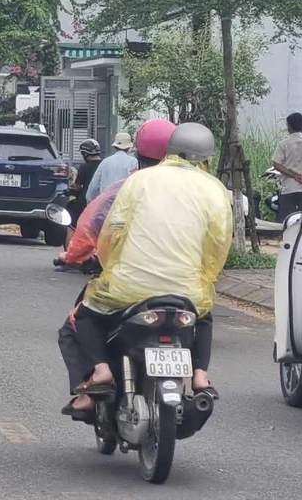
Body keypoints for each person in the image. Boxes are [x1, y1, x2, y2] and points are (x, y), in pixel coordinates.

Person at [70, 123, 231, 410]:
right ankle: (200, 376)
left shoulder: (139, 180)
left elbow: (111, 232)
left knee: (84, 316)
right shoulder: (216, 190)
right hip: (187, 291)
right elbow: (218, 246)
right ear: (207, 158)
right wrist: (205, 278)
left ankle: (101, 370)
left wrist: (109, 267)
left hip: (128, 288)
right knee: (204, 316)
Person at [55, 118, 176, 417]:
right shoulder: (194, 192)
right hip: (181, 284)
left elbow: (91, 224)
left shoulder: (127, 188)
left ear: (138, 155)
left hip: (127, 284)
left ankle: (97, 375)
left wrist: (71, 256)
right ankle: (199, 376)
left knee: (77, 322)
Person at [272, 112, 302, 221]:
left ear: (289, 126)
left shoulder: (283, 144)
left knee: (287, 220)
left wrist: (294, 175)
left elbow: (276, 165)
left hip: (288, 188)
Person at [85, 132, 138, 201]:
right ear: (128, 147)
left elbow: (94, 186)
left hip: (105, 203)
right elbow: (136, 185)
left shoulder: (105, 162)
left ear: (115, 147)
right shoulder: (133, 162)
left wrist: (90, 202)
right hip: (124, 203)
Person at [68, 139, 102, 224]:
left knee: (71, 211)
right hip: (102, 200)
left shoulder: (84, 167)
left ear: (85, 153)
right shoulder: (104, 164)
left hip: (86, 201)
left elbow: (77, 187)